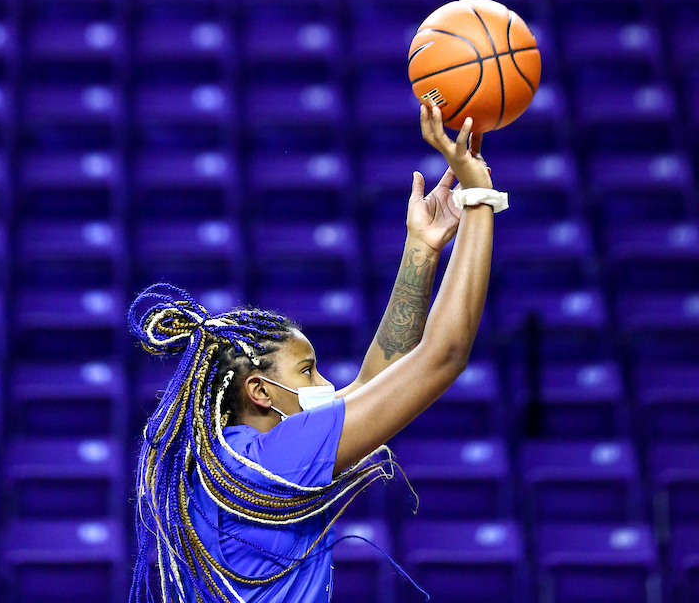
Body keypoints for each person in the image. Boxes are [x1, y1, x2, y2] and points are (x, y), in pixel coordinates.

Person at [129, 104, 504, 602]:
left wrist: (423, 248)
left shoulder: (224, 466)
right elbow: (445, 355)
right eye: (307, 371)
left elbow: (372, 386)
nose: (328, 386)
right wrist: (478, 197)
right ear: (259, 391)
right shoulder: (279, 456)